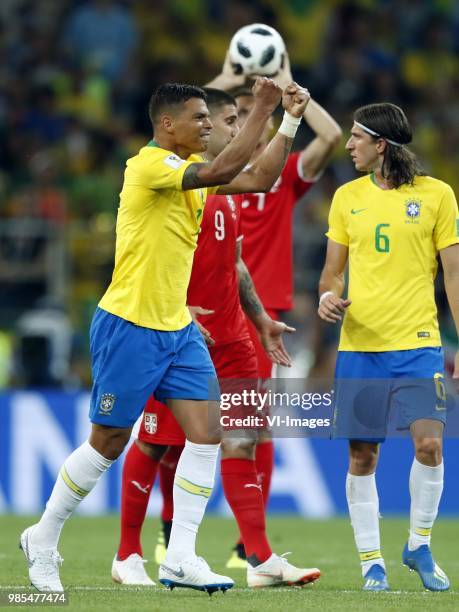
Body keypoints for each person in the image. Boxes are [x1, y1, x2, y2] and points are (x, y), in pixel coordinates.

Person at [19, 78, 289, 594]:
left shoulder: (193, 176)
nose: (208, 124)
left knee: (207, 433)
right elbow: (225, 168)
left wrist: (290, 122)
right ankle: (44, 536)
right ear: (168, 125)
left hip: (179, 327)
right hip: (130, 324)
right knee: (109, 442)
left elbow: (256, 180)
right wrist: (266, 109)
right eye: (200, 118)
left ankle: (181, 556)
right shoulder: (149, 165)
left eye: (211, 119)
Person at [112, 87, 320, 589]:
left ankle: (261, 560)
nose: (224, 127)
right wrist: (177, 306)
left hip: (234, 338)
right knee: (157, 443)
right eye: (226, 119)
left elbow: (235, 259)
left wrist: (260, 318)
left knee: (243, 442)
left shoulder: (220, 193)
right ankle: (128, 554)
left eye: (228, 119)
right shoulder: (177, 182)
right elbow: (149, 257)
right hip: (184, 337)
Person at [208, 51, 342, 567]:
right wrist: (223, 81)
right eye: (235, 116)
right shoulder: (209, 176)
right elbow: (176, 123)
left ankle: (248, 544)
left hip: (265, 315)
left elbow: (329, 138)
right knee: (182, 428)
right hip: (206, 309)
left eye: (250, 115)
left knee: (253, 422)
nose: (244, 122)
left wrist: (290, 92)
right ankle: (167, 535)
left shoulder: (283, 174)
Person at [318, 102, 459, 592]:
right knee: (362, 458)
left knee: (430, 444)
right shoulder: (345, 198)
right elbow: (332, 272)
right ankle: (371, 562)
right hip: (360, 347)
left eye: (357, 137)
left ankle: (418, 544)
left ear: (381, 144)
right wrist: (326, 297)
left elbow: (454, 273)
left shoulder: (438, 196)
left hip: (419, 342)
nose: (349, 144)